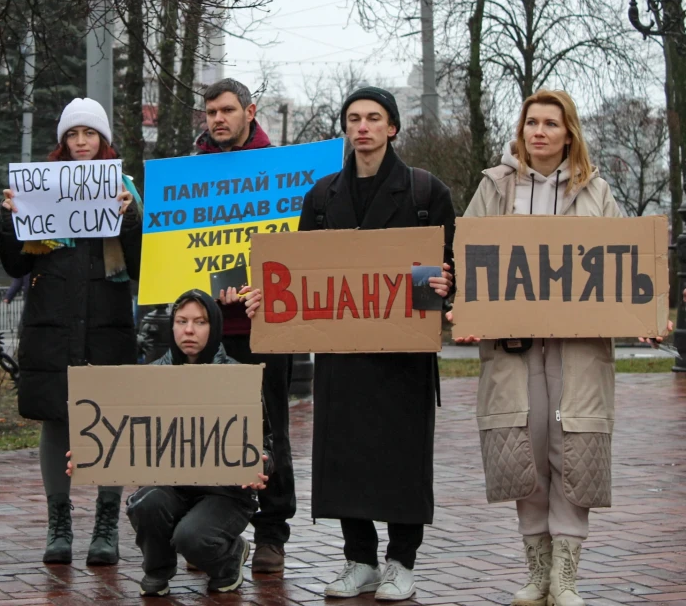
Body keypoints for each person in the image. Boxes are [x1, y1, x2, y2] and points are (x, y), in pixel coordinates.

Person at [453, 89, 672, 606]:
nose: (540, 132)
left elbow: (627, 266)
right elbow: (469, 259)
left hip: (578, 347)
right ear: (521, 129)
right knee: (522, 447)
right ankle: (536, 569)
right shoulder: (494, 187)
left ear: (568, 131)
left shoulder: (597, 193)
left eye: (551, 123)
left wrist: (644, 311)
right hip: (514, 346)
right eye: (532, 122)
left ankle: (566, 575)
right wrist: (465, 308)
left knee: (573, 447)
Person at [247, 86, 456, 601]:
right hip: (340, 354)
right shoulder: (321, 198)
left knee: (403, 459)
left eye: (374, 118)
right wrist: (268, 302)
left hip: (403, 356)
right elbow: (300, 278)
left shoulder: (426, 194)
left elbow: (452, 273)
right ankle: (357, 558)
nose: (362, 127)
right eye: (354, 118)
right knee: (344, 457)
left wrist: (446, 289)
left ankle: (401, 562)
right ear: (346, 128)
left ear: (392, 128)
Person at [0, 98, 142, 566]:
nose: (81, 143)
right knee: (57, 419)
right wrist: (11, 217)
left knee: (111, 422)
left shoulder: (124, 191)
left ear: (104, 140)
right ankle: (58, 523)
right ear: (62, 142)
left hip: (107, 325)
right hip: (52, 326)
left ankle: (106, 524)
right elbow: (15, 262)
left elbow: (142, 265)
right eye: (73, 136)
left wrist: (130, 218)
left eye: (90, 135)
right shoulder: (39, 189)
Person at [66, 289, 271, 596]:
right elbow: (123, 435)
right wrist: (89, 456)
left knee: (192, 538)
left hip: (224, 494)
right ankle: (157, 569)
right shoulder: (150, 377)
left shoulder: (237, 378)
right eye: (181, 321)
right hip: (171, 486)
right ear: (172, 325)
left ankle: (229, 557)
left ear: (214, 327)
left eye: (200, 322)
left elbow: (266, 441)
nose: (189, 330)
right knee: (146, 503)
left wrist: (262, 462)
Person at [192, 77, 297, 574]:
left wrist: (267, 289)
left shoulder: (281, 173)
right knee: (207, 429)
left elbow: (298, 248)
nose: (218, 119)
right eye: (211, 111)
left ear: (250, 112)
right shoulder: (189, 175)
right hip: (212, 329)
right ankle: (207, 529)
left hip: (266, 326)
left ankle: (272, 533)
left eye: (228, 110)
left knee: (270, 430)